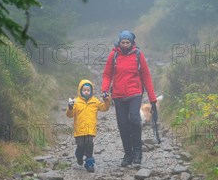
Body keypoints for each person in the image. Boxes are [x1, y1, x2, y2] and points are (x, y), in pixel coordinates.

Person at [101, 30, 157, 167]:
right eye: (123, 42)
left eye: (127, 43)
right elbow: (107, 75)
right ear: (119, 42)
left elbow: (146, 76)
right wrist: (105, 90)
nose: (125, 45)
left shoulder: (138, 55)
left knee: (135, 120)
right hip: (118, 95)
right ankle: (128, 154)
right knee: (123, 125)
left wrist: (152, 97)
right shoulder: (113, 55)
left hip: (135, 93)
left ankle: (137, 153)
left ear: (132, 43)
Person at [66, 79, 111, 172]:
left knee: (90, 145)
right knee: (81, 146)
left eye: (88, 90)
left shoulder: (95, 101)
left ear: (91, 91)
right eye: (84, 90)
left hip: (90, 129)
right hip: (79, 130)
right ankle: (79, 155)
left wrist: (106, 100)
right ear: (80, 91)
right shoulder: (76, 102)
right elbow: (69, 115)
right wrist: (70, 107)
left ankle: (89, 163)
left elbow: (104, 108)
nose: (86, 92)